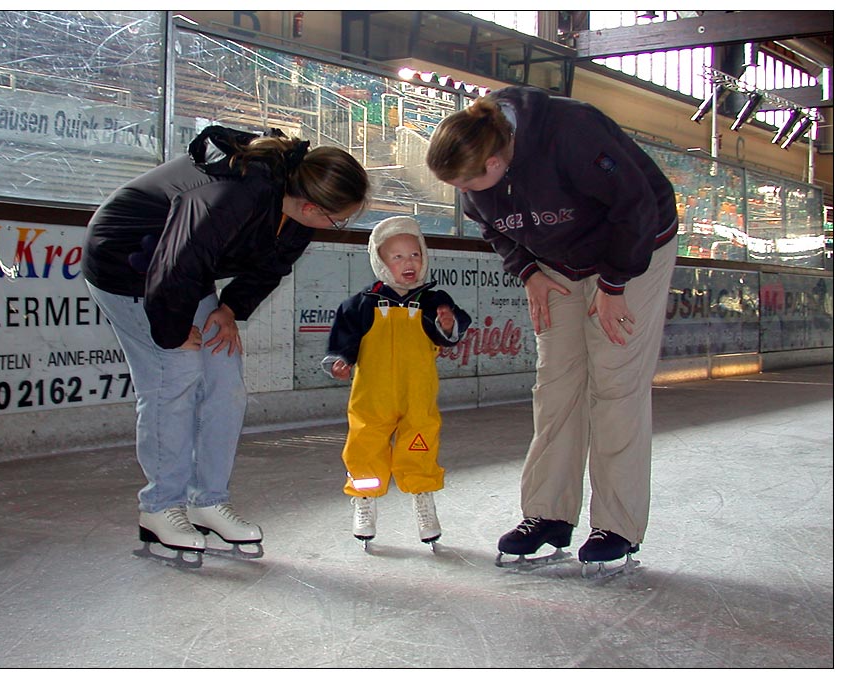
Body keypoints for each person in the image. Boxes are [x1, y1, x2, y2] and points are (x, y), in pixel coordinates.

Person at [82, 125, 370, 568]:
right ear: (311, 204)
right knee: (172, 377)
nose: (339, 227)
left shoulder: (296, 216)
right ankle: (160, 507)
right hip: (125, 262)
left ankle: (207, 501)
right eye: (339, 220)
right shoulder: (241, 193)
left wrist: (230, 308)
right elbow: (179, 259)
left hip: (180, 269)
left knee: (224, 377)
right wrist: (173, 331)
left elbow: (268, 267)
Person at [426, 86, 678, 575]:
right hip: (557, 262)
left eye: (476, 179)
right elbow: (492, 227)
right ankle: (547, 514)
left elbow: (636, 204)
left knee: (615, 383)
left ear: (500, 156)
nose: (470, 192)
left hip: (634, 249)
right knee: (556, 384)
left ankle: (617, 524)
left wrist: (614, 282)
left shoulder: (570, 130)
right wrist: (528, 271)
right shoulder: (474, 176)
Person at [322, 216, 471, 548]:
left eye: (415, 255)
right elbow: (343, 339)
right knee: (365, 446)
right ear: (380, 261)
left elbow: (449, 333)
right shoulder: (362, 304)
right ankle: (364, 501)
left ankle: (422, 498)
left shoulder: (434, 301)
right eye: (398, 256)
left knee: (420, 445)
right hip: (372, 396)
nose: (409, 263)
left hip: (417, 394)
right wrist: (340, 360)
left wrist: (448, 324)